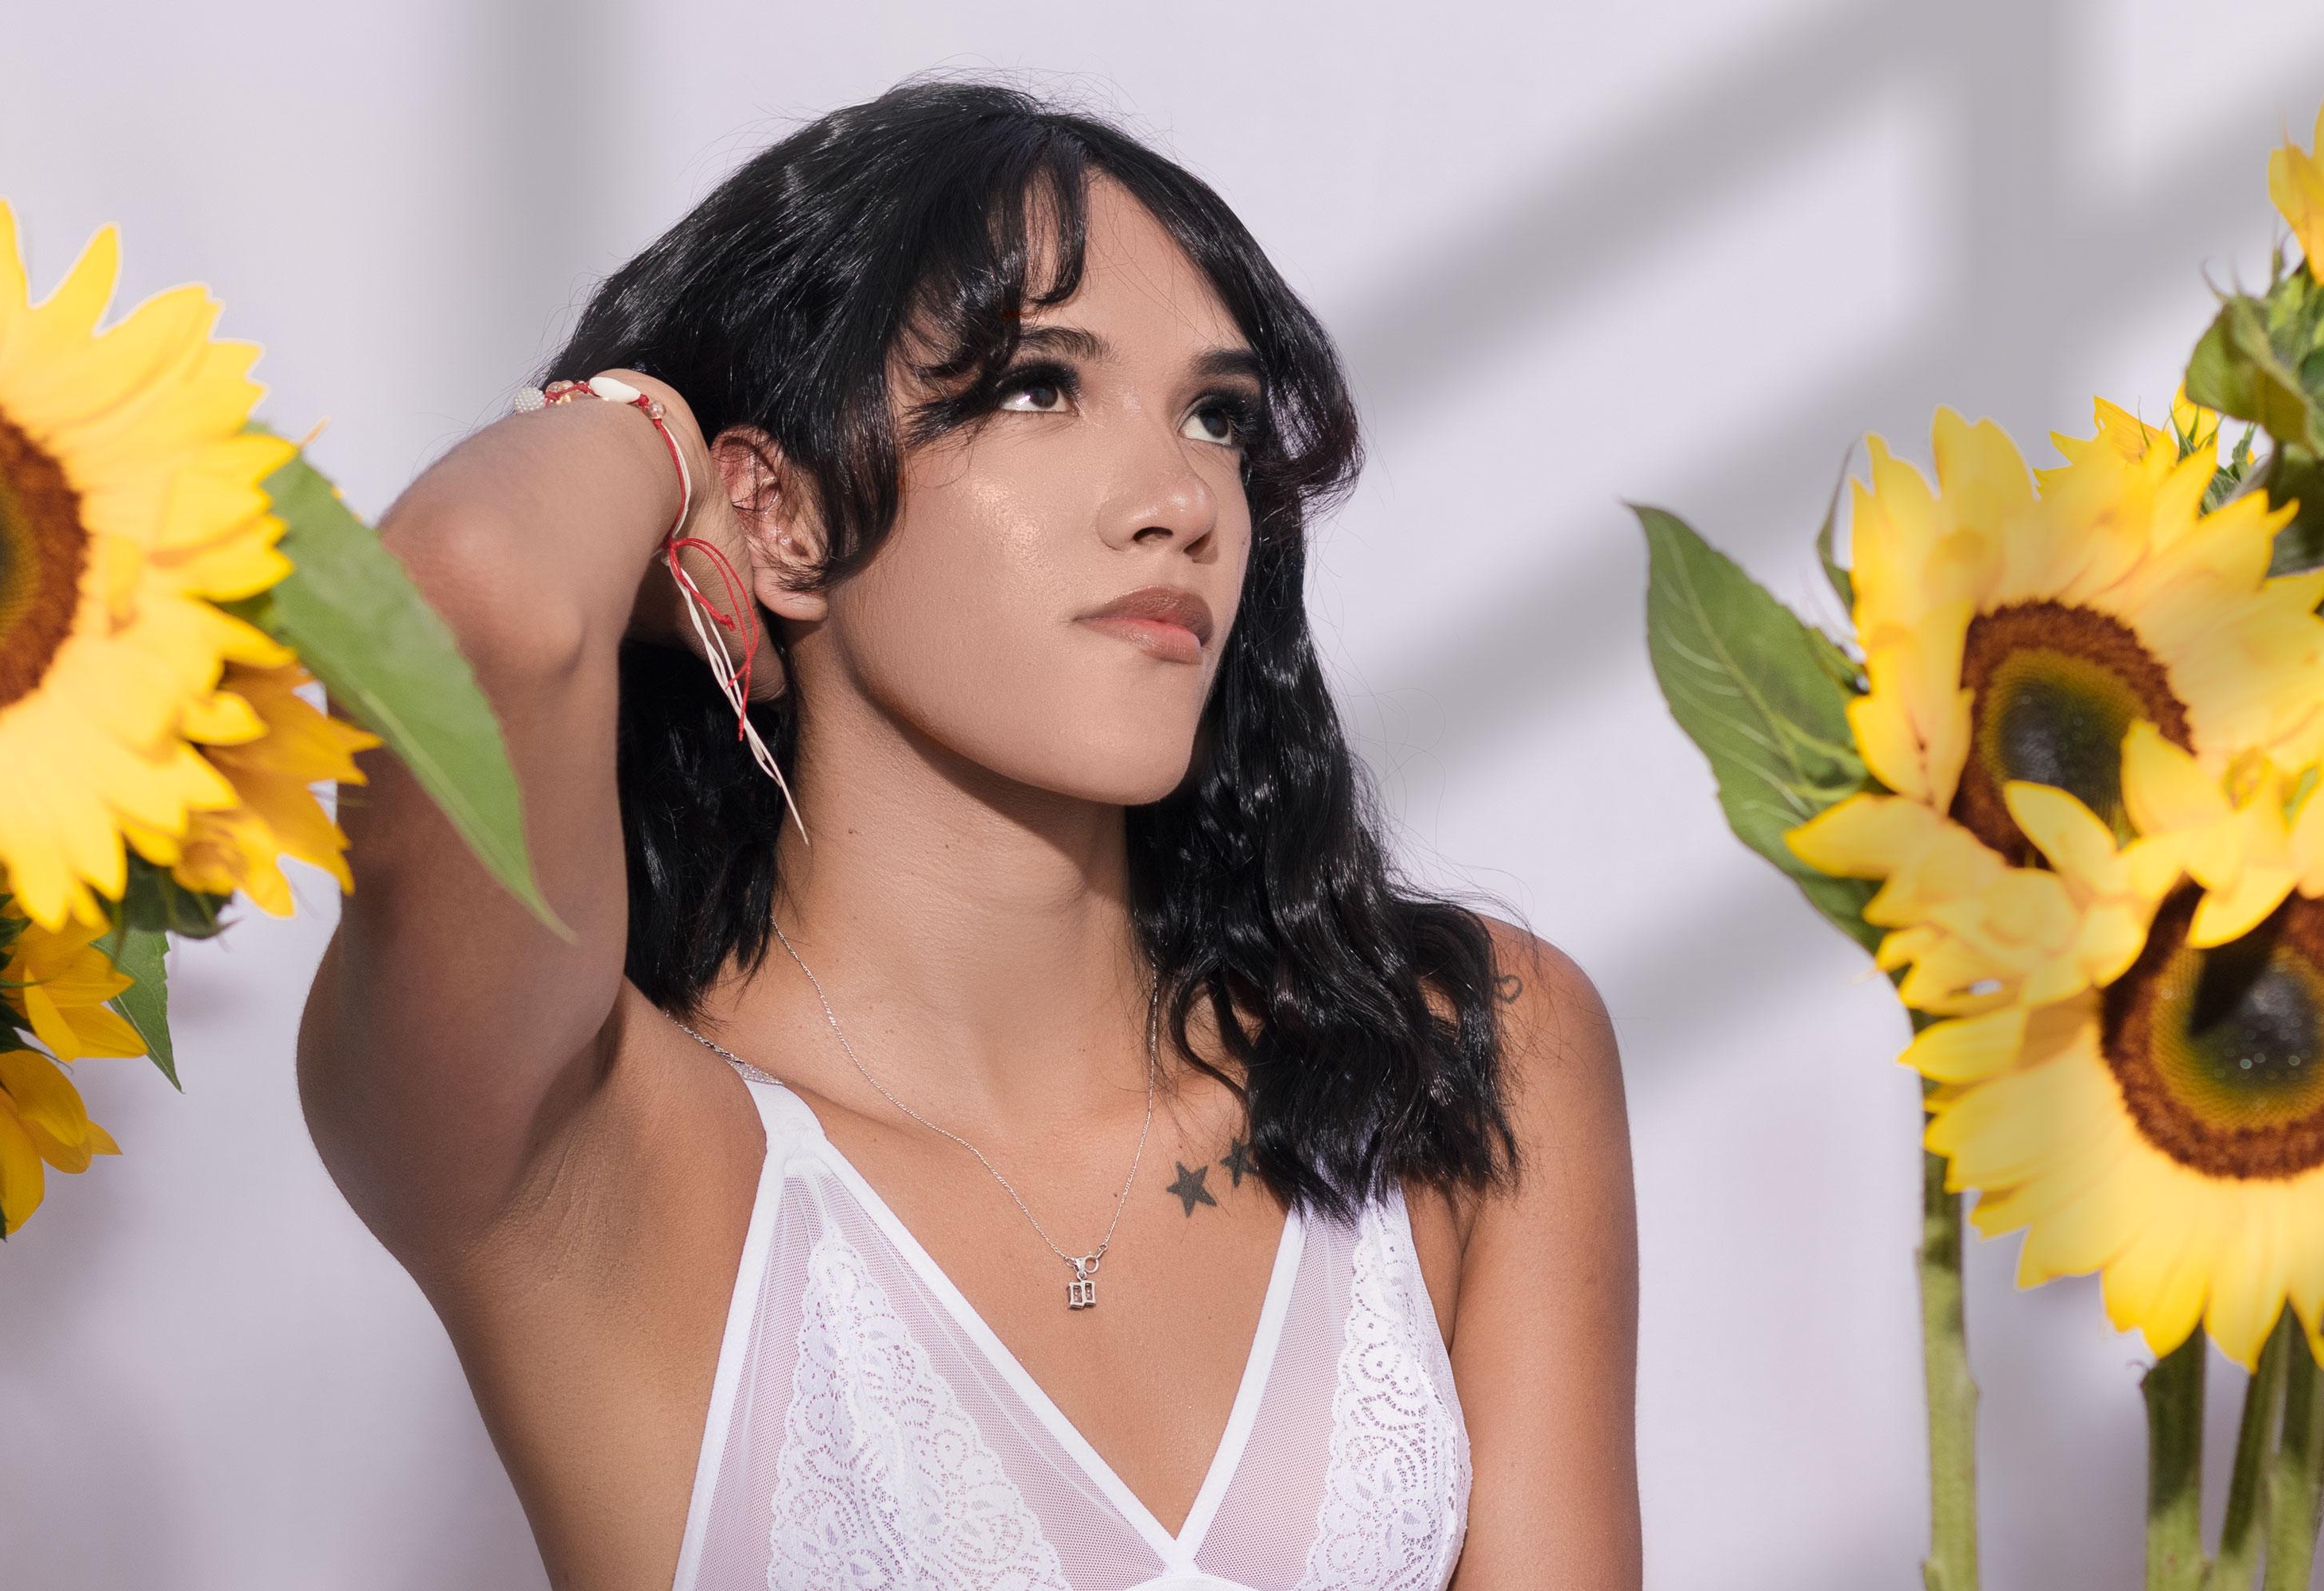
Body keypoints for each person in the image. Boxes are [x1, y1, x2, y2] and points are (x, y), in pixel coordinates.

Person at [297, 77, 1640, 1591]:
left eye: (1216, 417)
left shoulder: (1457, 1058)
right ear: (781, 516)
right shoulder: (596, 1144)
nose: (1180, 500)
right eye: (1038, 388)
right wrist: (647, 436)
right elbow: (465, 602)